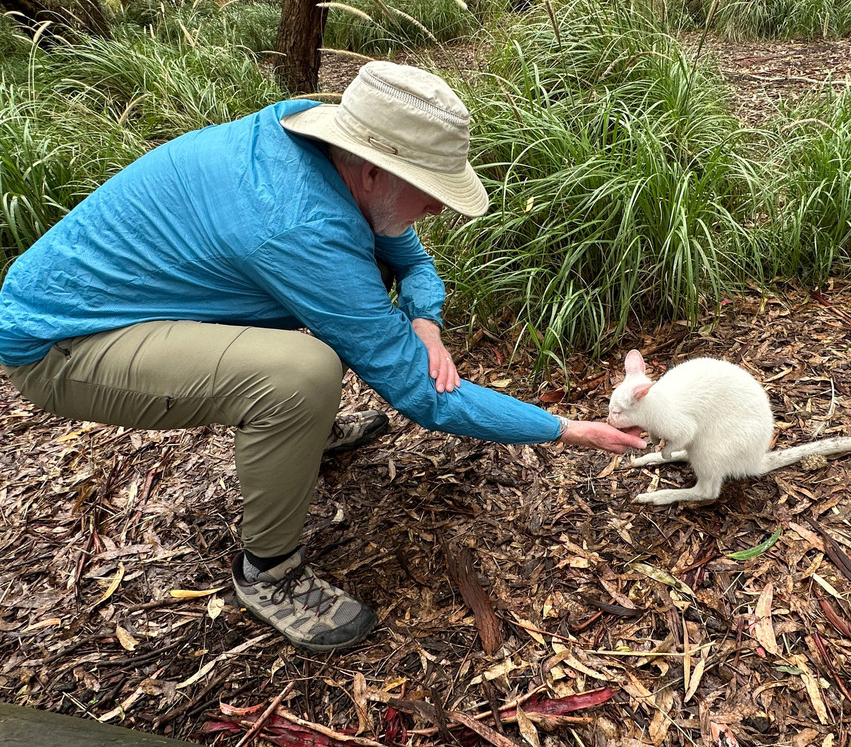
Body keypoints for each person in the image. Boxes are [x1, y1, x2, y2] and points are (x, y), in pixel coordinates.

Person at [0, 61, 644, 653]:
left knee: (336, 314)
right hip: (65, 345)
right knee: (298, 376)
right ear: (373, 170)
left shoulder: (322, 147)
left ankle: (300, 436)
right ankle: (268, 573)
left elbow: (412, 261)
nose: (438, 206)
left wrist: (425, 321)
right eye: (429, 189)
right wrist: (566, 429)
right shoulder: (298, 223)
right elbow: (422, 394)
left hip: (140, 305)